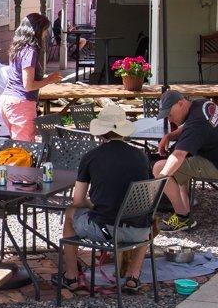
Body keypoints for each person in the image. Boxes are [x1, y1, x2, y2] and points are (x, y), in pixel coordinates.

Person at [55, 104, 156, 294]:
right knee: (145, 219)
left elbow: (77, 200)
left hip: (107, 230)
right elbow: (146, 198)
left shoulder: (91, 157)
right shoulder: (141, 156)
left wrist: (91, 203)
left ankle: (71, 276)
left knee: (70, 213)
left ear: (102, 131)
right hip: (141, 232)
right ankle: (133, 277)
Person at [153, 90, 218, 232]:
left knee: (159, 167)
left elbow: (178, 155)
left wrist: (162, 176)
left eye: (170, 115)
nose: (170, 120)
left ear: (180, 103)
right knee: (180, 161)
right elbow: (187, 127)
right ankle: (185, 206)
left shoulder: (196, 123)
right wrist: (170, 135)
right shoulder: (200, 104)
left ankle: (182, 217)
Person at [0, 13, 63, 141]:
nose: (46, 34)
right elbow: (28, 85)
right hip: (21, 103)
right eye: (44, 30)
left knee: (17, 146)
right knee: (24, 149)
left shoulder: (18, 47)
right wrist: (49, 80)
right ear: (37, 31)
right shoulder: (30, 50)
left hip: (7, 101)